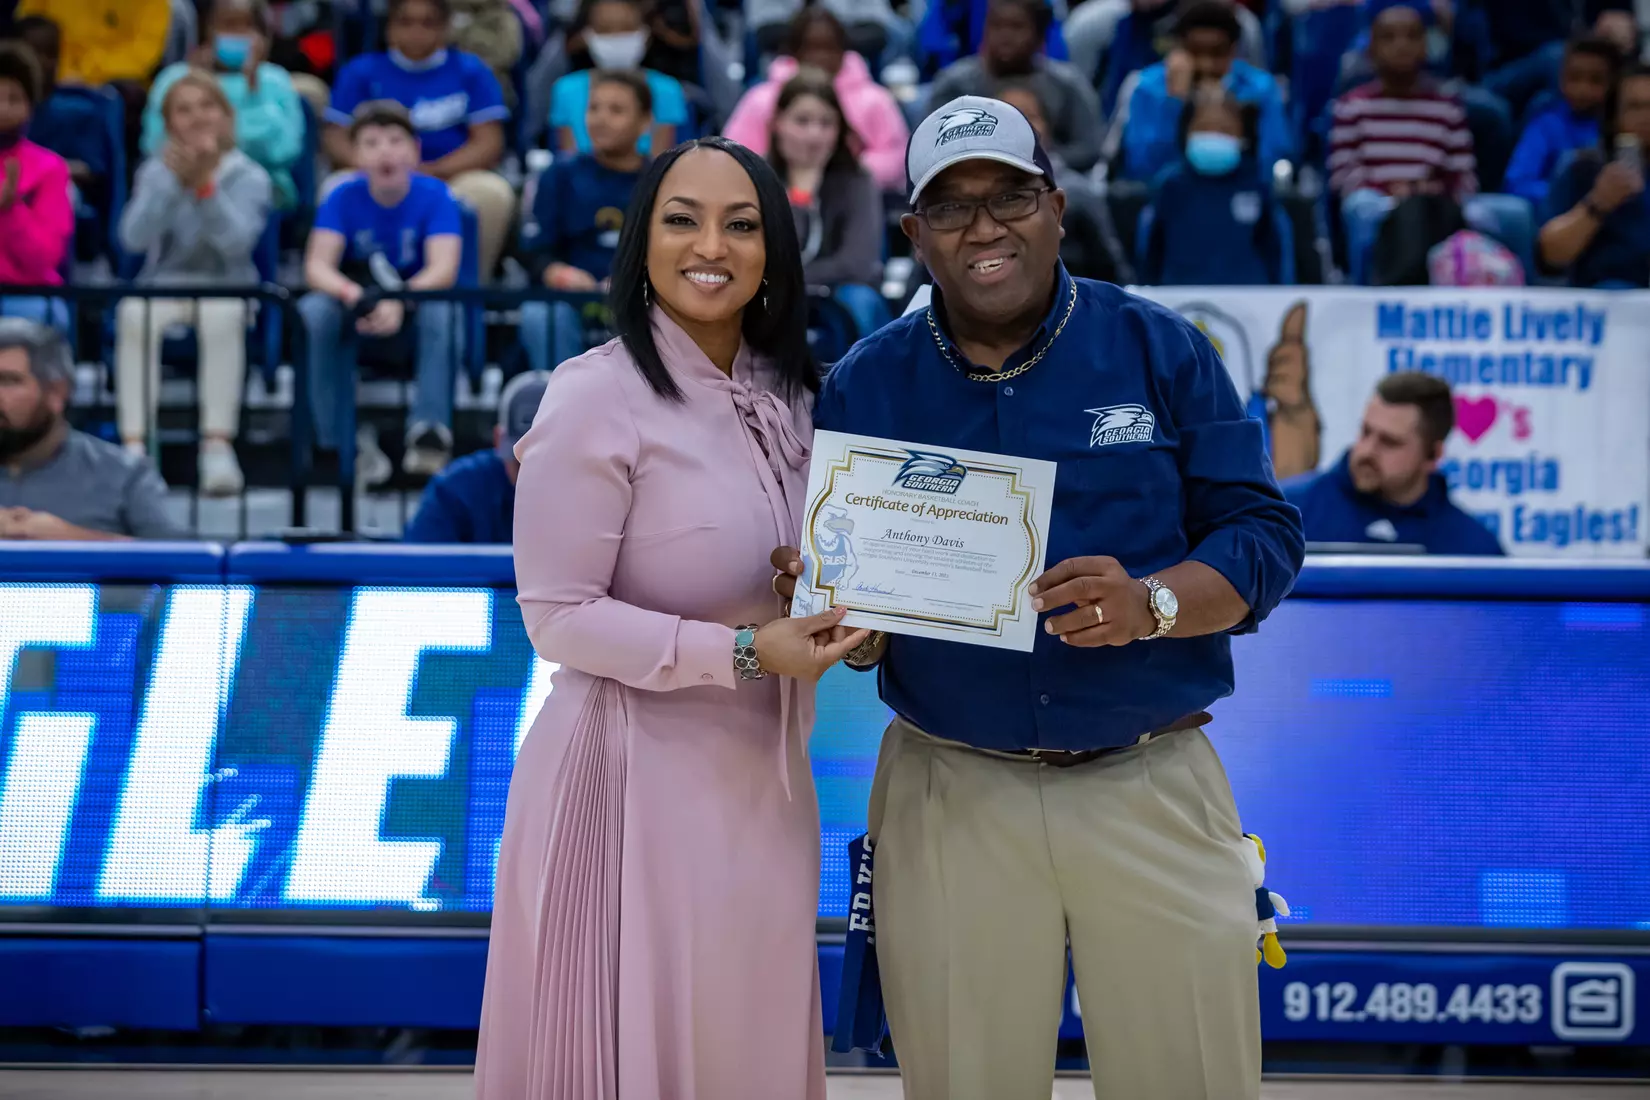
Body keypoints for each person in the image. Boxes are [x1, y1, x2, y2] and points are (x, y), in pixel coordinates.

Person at [772, 95, 1304, 1100]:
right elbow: (857, 611)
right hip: (950, 783)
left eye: (1010, 195)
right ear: (914, 233)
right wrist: (842, 615)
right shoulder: (865, 384)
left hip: (1151, 776)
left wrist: (1153, 599)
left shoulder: (1163, 349)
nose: (985, 227)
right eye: (951, 205)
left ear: (1056, 206)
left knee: (1190, 1076)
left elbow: (1265, 532)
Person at [474, 137, 869, 1099]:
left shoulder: (803, 398)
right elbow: (559, 617)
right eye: (682, 218)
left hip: (766, 793)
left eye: (742, 224)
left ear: (775, 247)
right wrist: (742, 652)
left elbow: (819, 573)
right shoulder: (592, 395)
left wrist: (842, 617)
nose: (713, 245)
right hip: (625, 785)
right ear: (641, 241)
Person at [117, 72, 272, 497]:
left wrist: (204, 188)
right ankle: (135, 449)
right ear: (168, 124)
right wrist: (170, 184)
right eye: (183, 110)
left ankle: (216, 447)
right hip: (163, 285)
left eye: (207, 106)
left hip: (227, 286)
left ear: (226, 116)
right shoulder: (154, 172)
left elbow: (237, 245)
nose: (197, 117)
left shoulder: (250, 176)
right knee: (133, 315)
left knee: (222, 316)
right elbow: (133, 237)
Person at [301, 102, 464, 485]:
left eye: (395, 140)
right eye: (371, 143)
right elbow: (316, 266)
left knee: (443, 311)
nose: (385, 151)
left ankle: (429, 433)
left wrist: (400, 298)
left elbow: (443, 268)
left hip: (414, 307)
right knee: (313, 311)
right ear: (356, 156)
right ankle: (339, 441)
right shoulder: (341, 196)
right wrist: (351, 294)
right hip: (356, 305)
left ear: (415, 151)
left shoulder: (436, 195)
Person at [324, 0, 515, 277]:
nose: (416, 31)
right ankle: (348, 289)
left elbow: (489, 142)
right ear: (390, 27)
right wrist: (374, 166)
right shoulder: (361, 72)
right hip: (376, 176)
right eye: (406, 22)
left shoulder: (471, 71)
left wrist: (435, 171)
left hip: (450, 176)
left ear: (445, 28)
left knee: (492, 192)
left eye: (428, 23)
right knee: (333, 186)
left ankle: (470, 296)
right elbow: (335, 138)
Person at [0, 318, 186, 540]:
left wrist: (68, 538)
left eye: (8, 381)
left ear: (56, 392)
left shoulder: (124, 474)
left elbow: (177, 562)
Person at [1330, 0, 1477, 275]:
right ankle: (1366, 297)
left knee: (1508, 214)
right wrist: (1393, 191)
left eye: (1412, 36)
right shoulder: (1351, 107)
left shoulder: (1447, 107)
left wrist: (1434, 191)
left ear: (1427, 45)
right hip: (1380, 202)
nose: (1402, 45)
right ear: (1371, 48)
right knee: (1361, 207)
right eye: (1389, 37)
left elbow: (1465, 176)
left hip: (1436, 203)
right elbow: (1343, 176)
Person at [1285, 372, 1503, 555]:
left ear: (1433, 456)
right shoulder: (1285, 514)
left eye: (1389, 442)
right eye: (1366, 432)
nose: (1366, 451)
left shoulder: (1475, 551)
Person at [520, 69, 650, 374]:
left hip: (638, 299)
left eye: (616, 110)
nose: (601, 118)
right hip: (571, 297)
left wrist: (636, 284)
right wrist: (557, 273)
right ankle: (561, 409)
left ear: (645, 122)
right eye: (594, 108)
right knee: (540, 315)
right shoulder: (559, 174)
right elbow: (534, 250)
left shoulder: (661, 179)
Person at [142, 0, 306, 211]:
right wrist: (201, 167)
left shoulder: (275, 81)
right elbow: (155, 143)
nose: (238, 34)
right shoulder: (175, 78)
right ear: (210, 31)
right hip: (181, 182)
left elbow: (284, 151)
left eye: (247, 26)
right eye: (229, 26)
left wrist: (252, 89)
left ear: (262, 35)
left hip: (263, 188)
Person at [723, 8, 911, 192]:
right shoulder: (761, 100)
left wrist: (842, 173)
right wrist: (785, 174)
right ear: (794, 52)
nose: (820, 58)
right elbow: (734, 158)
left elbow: (897, 159)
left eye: (829, 48)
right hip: (774, 200)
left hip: (852, 197)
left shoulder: (875, 100)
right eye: (811, 49)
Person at [1114, 0, 1291, 182]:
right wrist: (1174, 104)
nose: (1206, 64)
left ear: (1233, 51)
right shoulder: (1147, 88)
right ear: (1178, 47)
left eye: (1217, 52)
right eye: (1195, 51)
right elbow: (1142, 169)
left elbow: (1274, 163)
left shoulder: (1260, 89)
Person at [767, 70, 886, 333]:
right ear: (778, 123)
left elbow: (858, 264)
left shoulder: (858, 180)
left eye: (825, 123)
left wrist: (794, 278)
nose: (814, 135)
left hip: (841, 293)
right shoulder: (757, 178)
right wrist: (799, 198)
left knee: (860, 302)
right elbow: (769, 258)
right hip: (777, 294)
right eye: (802, 121)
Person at [927, 0, 1105, 173]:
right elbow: (931, 147)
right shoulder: (955, 84)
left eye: (1016, 27)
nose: (1005, 36)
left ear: (1039, 35)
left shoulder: (1066, 84)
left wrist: (1035, 162)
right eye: (996, 25)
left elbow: (1089, 148)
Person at [1140, 85, 1290, 285]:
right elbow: (1151, 254)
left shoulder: (1257, 185)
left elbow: (1274, 252)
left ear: (1243, 137)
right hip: (1177, 300)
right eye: (1204, 127)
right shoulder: (1170, 186)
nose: (1214, 136)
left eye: (1225, 130)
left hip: (1251, 301)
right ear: (1186, 131)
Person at [996, 82, 1130, 282]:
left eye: (1029, 116)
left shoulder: (1079, 193)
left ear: (1048, 128)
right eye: (1007, 119)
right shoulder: (969, 193)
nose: (1019, 126)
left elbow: (1113, 271)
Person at [1537, 63, 1650, 288]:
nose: (1647, 116)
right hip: (1610, 302)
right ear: (1614, 116)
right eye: (1635, 107)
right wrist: (1599, 203)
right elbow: (1550, 257)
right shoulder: (1583, 167)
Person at [403, 370, 546, 542]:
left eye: (548, 464)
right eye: (520, 462)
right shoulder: (455, 490)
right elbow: (420, 562)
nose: (532, 475)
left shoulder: (586, 493)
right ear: (498, 440)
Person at [551, 0, 689, 156]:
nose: (616, 36)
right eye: (604, 29)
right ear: (585, 34)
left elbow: (661, 162)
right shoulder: (566, 89)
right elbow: (568, 160)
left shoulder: (667, 90)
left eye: (627, 28)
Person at [0, 43, 72, 329]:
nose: (2, 108)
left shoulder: (50, 168)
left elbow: (44, 259)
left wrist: (10, 209)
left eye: (14, 98)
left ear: (31, 106)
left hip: (30, 299)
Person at [1505, 36, 1616, 208]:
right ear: (1561, 79)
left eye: (1595, 80)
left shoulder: (1622, 124)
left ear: (1614, 83)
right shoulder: (1546, 124)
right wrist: (1567, 193)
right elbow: (1517, 182)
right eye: (1575, 78)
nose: (1583, 89)